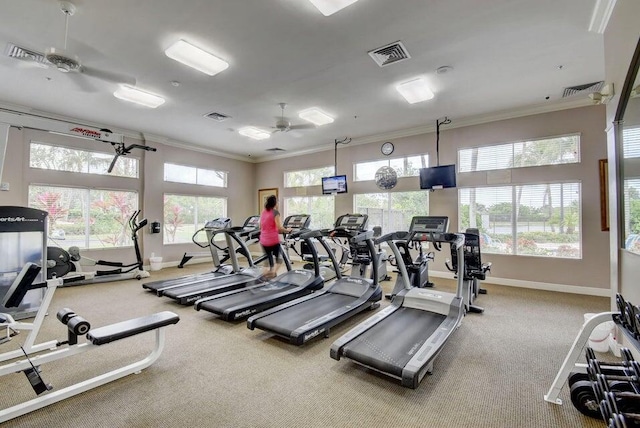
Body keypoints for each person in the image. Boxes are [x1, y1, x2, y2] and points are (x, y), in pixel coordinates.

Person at [259, 195, 291, 279]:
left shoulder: (263, 212)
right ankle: (273, 273)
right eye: (278, 202)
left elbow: (260, 226)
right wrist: (288, 230)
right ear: (275, 203)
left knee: (268, 257)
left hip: (263, 240)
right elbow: (280, 227)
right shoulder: (275, 212)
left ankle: (266, 274)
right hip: (272, 240)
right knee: (279, 258)